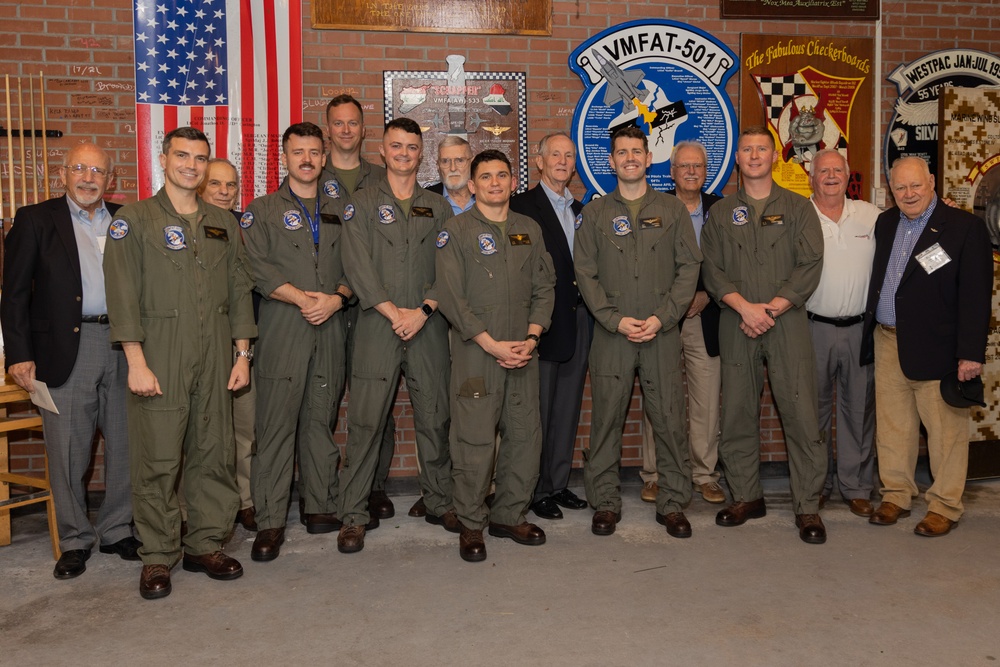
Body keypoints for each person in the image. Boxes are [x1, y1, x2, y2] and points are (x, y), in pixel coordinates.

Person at [104, 127, 256, 599]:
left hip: (216, 353)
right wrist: (136, 360)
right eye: (183, 155)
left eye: (200, 157)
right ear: (163, 158)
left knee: (214, 452)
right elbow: (122, 294)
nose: (191, 164)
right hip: (161, 353)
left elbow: (238, 290)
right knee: (158, 459)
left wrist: (242, 354)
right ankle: (156, 556)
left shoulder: (222, 223)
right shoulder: (134, 220)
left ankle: (205, 544)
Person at [2, 143, 140, 580]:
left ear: (110, 179)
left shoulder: (126, 220)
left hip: (124, 346)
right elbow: (14, 293)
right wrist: (19, 354)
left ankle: (118, 529)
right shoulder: (35, 219)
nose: (88, 177)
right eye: (80, 168)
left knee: (126, 444)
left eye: (98, 171)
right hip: (63, 349)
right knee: (67, 450)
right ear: (63, 173)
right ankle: (75, 540)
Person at [701, 126, 828, 545]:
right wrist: (745, 307)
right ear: (737, 158)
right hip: (736, 321)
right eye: (747, 150)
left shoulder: (797, 207)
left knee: (800, 413)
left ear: (774, 157)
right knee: (736, 412)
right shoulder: (720, 213)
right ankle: (745, 496)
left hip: (785, 322)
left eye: (761, 149)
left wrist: (771, 308)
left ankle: (807, 505)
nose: (754, 155)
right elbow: (712, 270)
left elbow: (810, 263)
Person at [575, 126, 701, 538]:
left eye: (637, 151)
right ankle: (605, 502)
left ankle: (673, 501)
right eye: (622, 152)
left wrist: (663, 317)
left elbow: (688, 269)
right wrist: (613, 319)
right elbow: (585, 273)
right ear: (610, 162)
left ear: (650, 159)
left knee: (668, 419)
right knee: (607, 419)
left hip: (660, 333)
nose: (630, 158)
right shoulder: (594, 214)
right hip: (612, 334)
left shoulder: (672, 210)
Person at [337, 118, 456, 553]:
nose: (404, 153)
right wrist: (393, 312)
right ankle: (353, 513)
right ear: (382, 151)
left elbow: (450, 269)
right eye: (396, 146)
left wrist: (423, 311)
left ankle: (441, 500)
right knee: (366, 421)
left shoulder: (437, 207)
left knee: (435, 416)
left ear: (420, 153)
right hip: (377, 325)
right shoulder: (362, 203)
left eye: (412, 147)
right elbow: (356, 264)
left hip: (426, 324)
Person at [861, 156, 992, 537]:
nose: (908, 194)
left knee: (945, 431)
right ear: (891, 191)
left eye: (915, 185)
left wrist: (970, 353)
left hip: (940, 348)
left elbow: (975, 297)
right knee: (893, 427)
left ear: (932, 182)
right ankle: (897, 495)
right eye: (900, 188)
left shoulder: (964, 228)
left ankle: (944, 505)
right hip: (887, 342)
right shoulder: (886, 223)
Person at [435, 149, 555, 562]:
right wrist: (490, 344)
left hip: (524, 351)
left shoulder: (529, 229)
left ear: (512, 181)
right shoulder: (456, 230)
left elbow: (545, 287)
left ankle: (509, 514)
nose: (494, 183)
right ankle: (471, 523)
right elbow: (452, 297)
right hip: (477, 353)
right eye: (485, 177)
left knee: (524, 436)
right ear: (472, 185)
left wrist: (533, 337)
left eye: (501, 176)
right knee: (474, 440)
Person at [241, 122, 354, 561]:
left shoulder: (343, 209)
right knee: (275, 426)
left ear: (324, 158)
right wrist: (301, 298)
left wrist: (337, 299)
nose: (306, 159)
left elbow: (358, 265)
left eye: (313, 152)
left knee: (320, 418)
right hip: (283, 323)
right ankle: (269, 520)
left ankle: (320, 504)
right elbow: (256, 266)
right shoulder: (262, 209)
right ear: (284, 158)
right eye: (297, 152)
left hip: (329, 323)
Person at [638, 140, 725, 506]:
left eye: (698, 167)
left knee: (706, 400)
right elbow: (646, 262)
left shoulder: (722, 210)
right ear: (671, 172)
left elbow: (729, 265)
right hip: (663, 318)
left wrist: (705, 294)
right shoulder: (654, 208)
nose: (691, 172)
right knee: (658, 397)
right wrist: (673, 303)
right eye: (684, 166)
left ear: (706, 173)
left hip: (707, 317)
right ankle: (655, 474)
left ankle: (704, 475)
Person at [323, 93, 397, 521]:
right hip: (330, 304)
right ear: (328, 127)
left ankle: (374, 486)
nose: (346, 130)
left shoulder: (380, 176)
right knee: (328, 399)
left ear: (365, 130)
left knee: (377, 400)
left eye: (354, 123)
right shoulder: (313, 170)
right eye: (339, 123)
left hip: (375, 304)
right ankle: (329, 488)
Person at [509, 132, 590, 521]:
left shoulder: (581, 208)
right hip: (540, 323)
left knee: (567, 407)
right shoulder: (521, 205)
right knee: (537, 411)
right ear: (539, 161)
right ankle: (536, 488)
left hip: (579, 319)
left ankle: (558, 483)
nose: (562, 161)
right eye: (554, 154)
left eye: (568, 156)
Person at [806, 149, 878, 518]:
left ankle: (856, 486)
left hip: (859, 330)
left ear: (847, 176)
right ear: (811, 177)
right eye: (823, 171)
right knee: (812, 413)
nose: (830, 176)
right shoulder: (800, 216)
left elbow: (910, 234)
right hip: (812, 328)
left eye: (837, 170)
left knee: (858, 410)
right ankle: (814, 486)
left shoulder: (870, 215)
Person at [197, 158, 257, 532]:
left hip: (243, 341)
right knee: (201, 431)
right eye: (216, 184)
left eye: (230, 185)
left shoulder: (245, 226)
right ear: (201, 186)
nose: (223, 191)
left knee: (244, 428)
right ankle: (197, 508)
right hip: (200, 342)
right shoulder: (189, 224)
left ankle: (244, 500)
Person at [427, 136, 475, 215]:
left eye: (460, 160)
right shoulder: (425, 200)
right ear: (438, 165)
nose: (453, 168)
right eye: (445, 161)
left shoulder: (486, 195)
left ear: (472, 163)